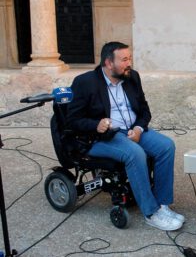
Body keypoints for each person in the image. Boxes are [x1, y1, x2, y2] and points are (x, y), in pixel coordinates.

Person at [67, 41, 184, 231]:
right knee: (135, 153)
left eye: (129, 58)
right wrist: (96, 124)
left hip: (132, 130)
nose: (129, 63)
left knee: (166, 146)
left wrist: (138, 128)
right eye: (124, 59)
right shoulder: (86, 82)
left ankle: (162, 205)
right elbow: (72, 120)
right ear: (108, 63)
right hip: (100, 137)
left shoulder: (132, 77)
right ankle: (151, 213)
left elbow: (145, 110)